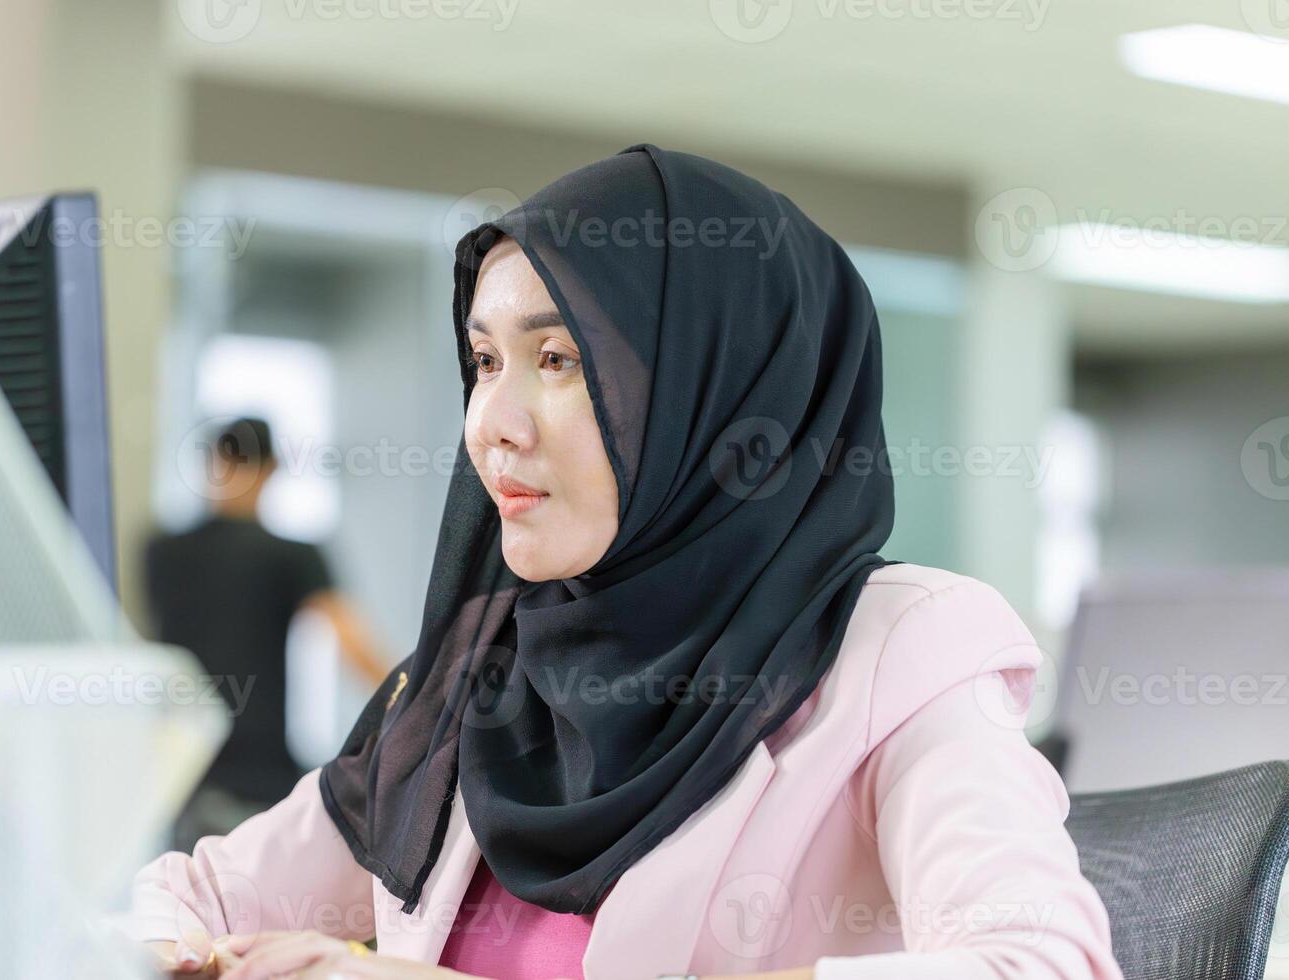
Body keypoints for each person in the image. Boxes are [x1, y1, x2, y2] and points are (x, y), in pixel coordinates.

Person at [123, 145, 1124, 980]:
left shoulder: (899, 651)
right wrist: (177, 958)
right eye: (483, 361)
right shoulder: (478, 672)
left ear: (722, 399)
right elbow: (191, 895)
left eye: (556, 359)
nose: (492, 427)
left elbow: (1039, 963)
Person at [143, 416, 388, 851]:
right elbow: (352, 645)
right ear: (271, 467)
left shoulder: (160, 552)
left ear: (213, 462)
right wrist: (427, 701)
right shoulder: (290, 556)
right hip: (258, 782)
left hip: (178, 777)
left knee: (188, 909)